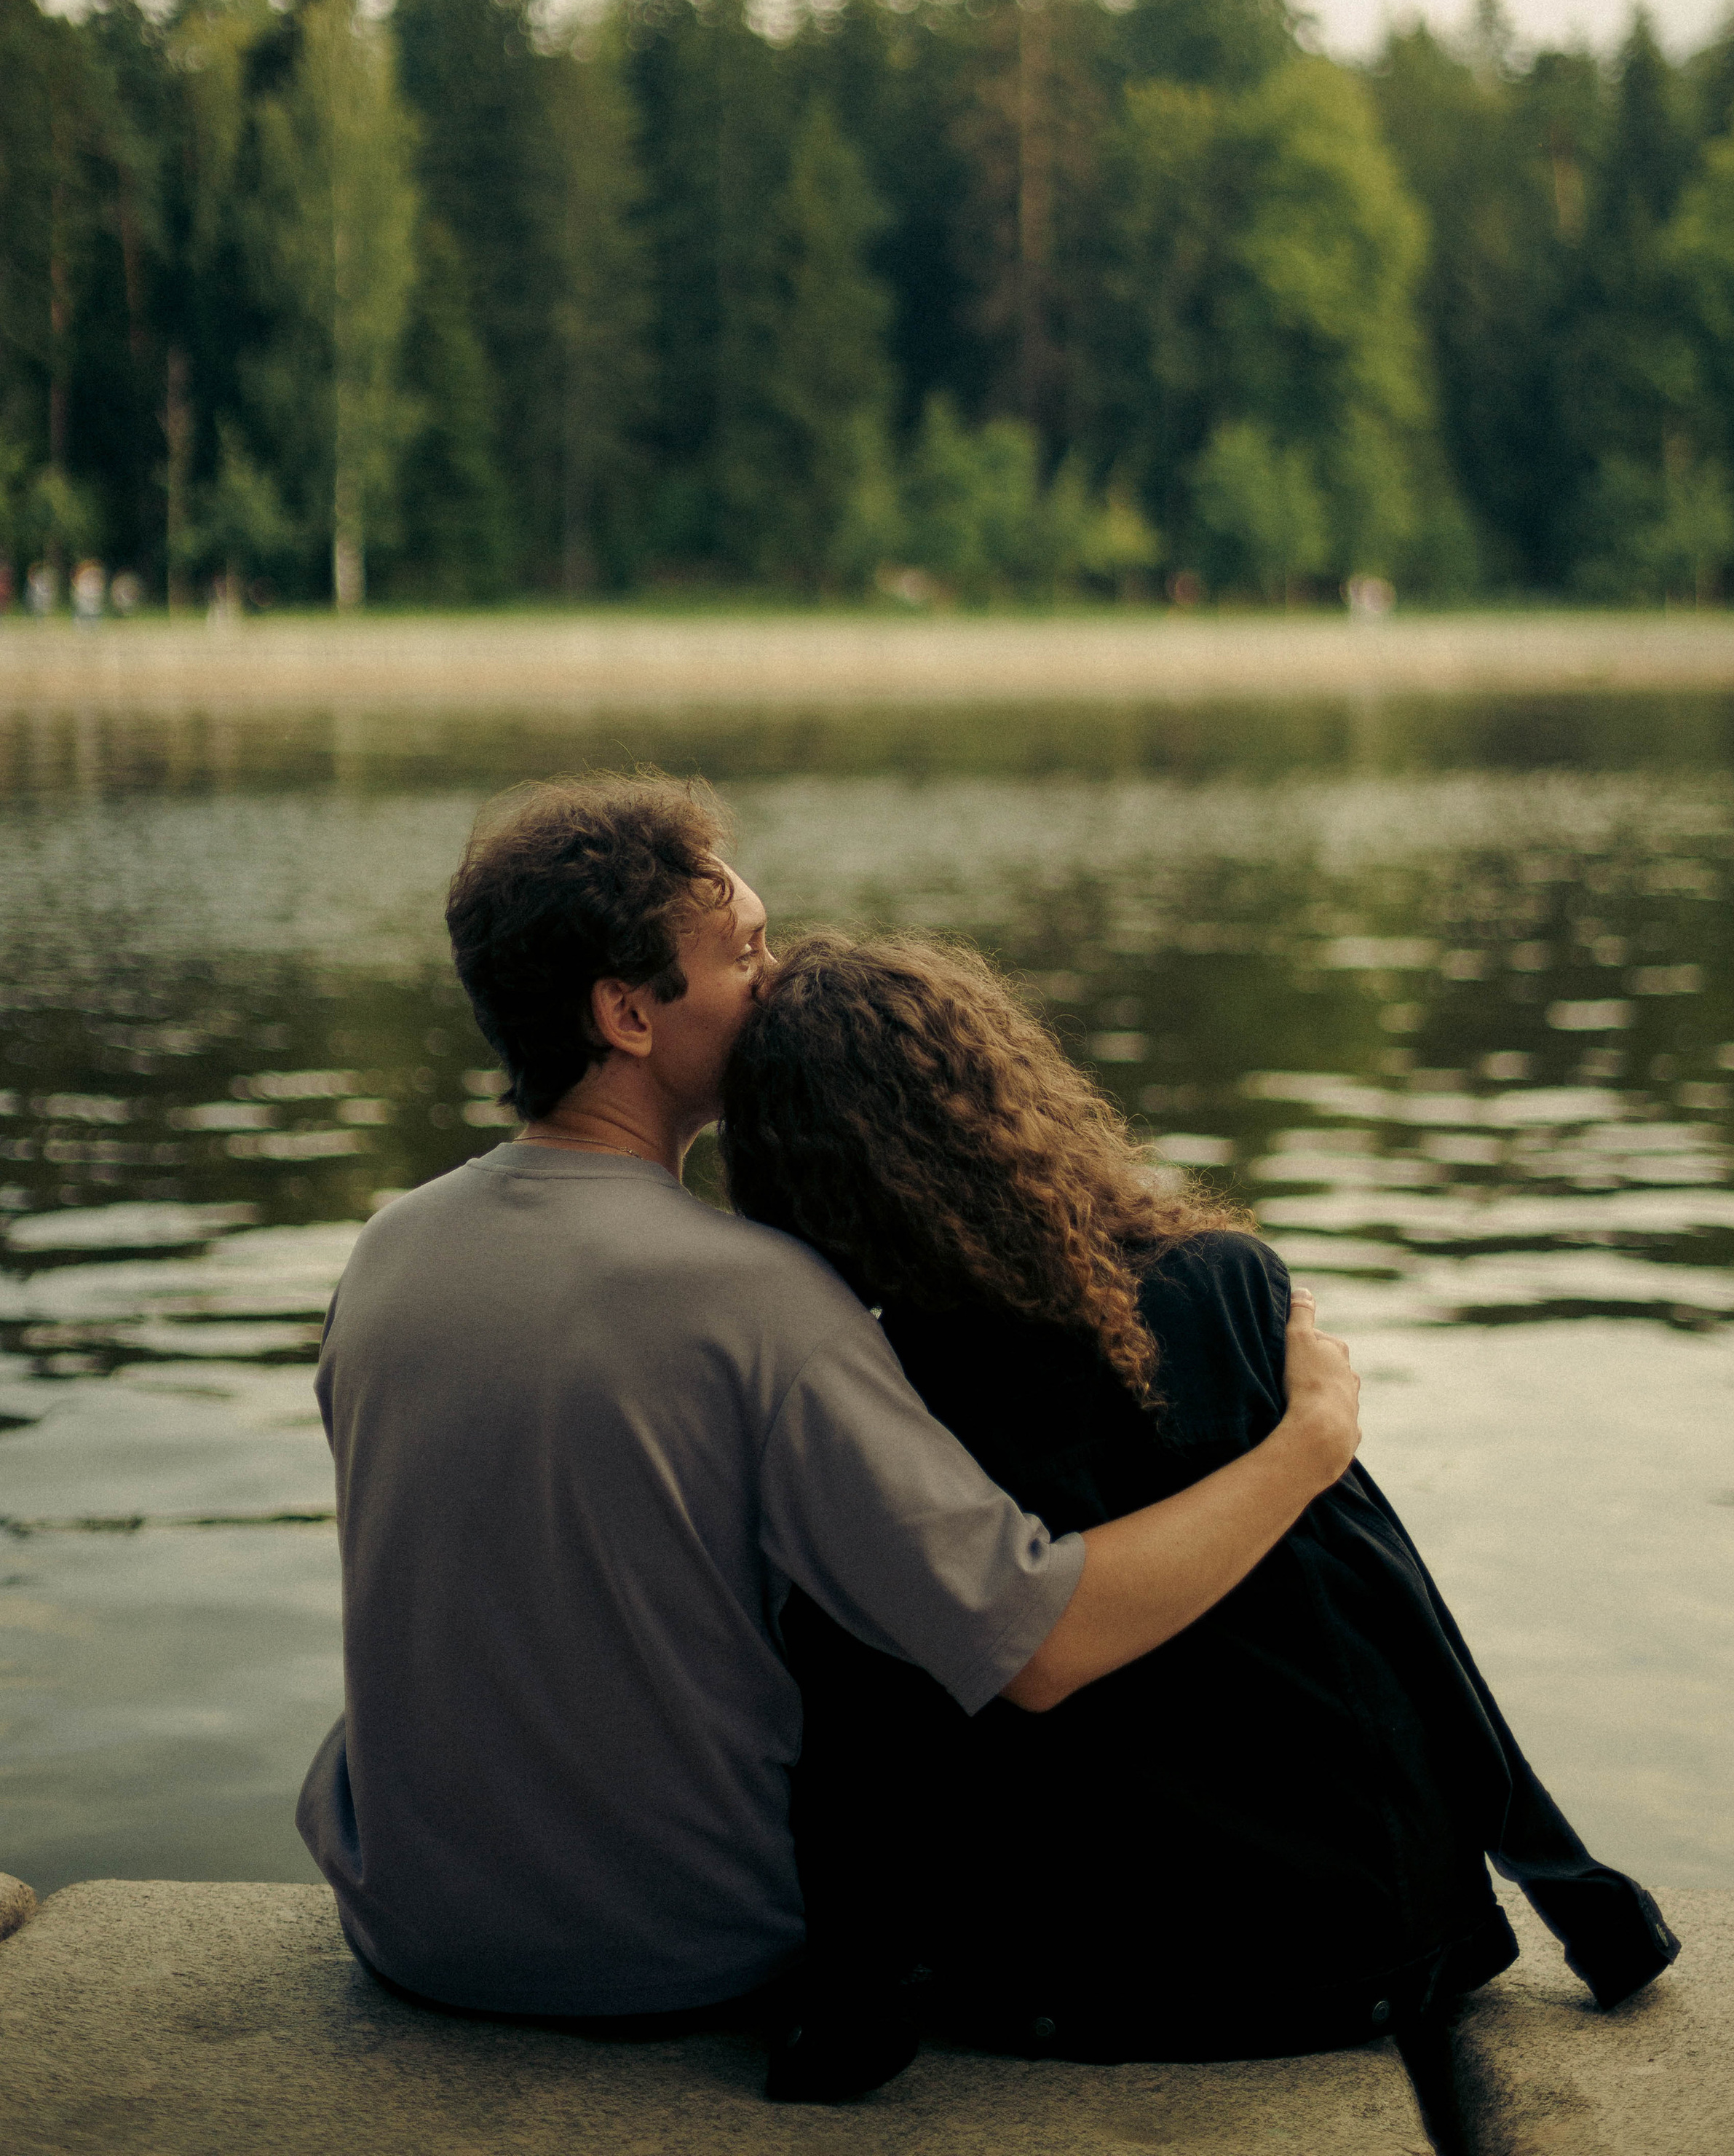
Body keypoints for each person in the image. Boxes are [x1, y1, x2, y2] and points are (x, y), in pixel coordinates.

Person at [296, 771, 1363, 2096]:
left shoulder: (388, 1253)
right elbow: (1038, 1641)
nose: (779, 977)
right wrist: (1306, 1445)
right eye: (744, 955)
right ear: (627, 1015)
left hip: (412, 1930)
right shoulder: (759, 1301)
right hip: (676, 1958)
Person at [718, 933, 1681, 2109]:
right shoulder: (1220, 1285)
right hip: (1358, 1948)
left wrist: (853, 1984)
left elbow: (858, 1716)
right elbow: (1387, 1608)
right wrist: (1578, 1896)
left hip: (1046, 1978)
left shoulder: (870, 1381)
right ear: (1002, 1091)